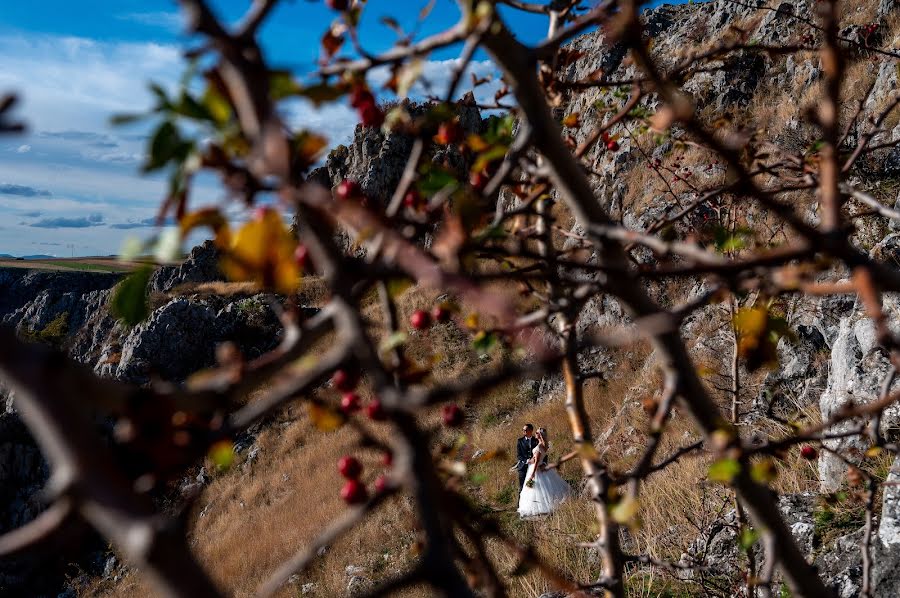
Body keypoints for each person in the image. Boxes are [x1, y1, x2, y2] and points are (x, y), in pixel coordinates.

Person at [517, 428, 570, 517]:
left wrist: (533, 473)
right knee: (544, 487)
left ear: (540, 435)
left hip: (536, 468)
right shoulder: (543, 445)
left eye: (537, 432)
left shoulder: (539, 446)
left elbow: (537, 461)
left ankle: (539, 507)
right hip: (540, 467)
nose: (535, 433)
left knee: (535, 488)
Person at [515, 423, 539, 492]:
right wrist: (528, 460)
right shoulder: (520, 441)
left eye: (525, 430)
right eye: (523, 430)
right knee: (522, 487)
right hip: (523, 467)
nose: (523, 431)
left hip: (533, 467)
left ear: (531, 431)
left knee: (532, 488)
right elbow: (519, 456)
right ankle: (519, 503)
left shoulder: (536, 440)